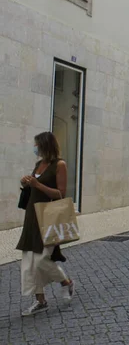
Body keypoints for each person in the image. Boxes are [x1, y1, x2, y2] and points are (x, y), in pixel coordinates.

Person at [16, 131, 75, 316]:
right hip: (32, 217)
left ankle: (66, 282)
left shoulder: (60, 165)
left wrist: (38, 185)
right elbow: (33, 186)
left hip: (48, 218)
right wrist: (26, 182)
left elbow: (61, 194)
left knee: (42, 259)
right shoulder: (38, 164)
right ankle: (40, 301)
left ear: (44, 145)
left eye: (37, 145)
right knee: (29, 263)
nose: (35, 148)